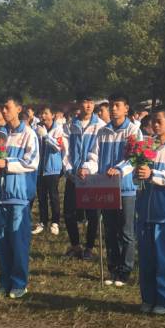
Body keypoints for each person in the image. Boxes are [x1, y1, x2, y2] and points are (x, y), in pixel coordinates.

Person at [0, 95, 39, 299]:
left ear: (18, 109)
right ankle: (4, 281)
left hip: (18, 196)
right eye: (2, 108)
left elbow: (32, 162)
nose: (4, 112)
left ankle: (19, 283)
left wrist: (7, 164)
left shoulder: (29, 134)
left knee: (18, 240)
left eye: (7, 108)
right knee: (1, 241)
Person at [134, 109, 165, 315]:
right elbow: (136, 177)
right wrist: (138, 174)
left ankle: (164, 300)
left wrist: (152, 173)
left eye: (159, 121)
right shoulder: (146, 145)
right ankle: (147, 298)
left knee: (163, 260)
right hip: (144, 211)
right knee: (146, 260)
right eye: (153, 121)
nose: (155, 125)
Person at [92, 93, 140, 286]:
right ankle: (113, 268)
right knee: (110, 230)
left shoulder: (133, 131)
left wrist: (119, 169)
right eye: (111, 106)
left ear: (126, 108)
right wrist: (87, 168)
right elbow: (93, 155)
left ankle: (125, 270)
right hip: (106, 188)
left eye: (117, 105)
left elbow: (135, 158)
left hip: (126, 189)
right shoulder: (102, 132)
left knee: (127, 231)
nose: (113, 109)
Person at [63, 93, 103, 260]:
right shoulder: (70, 125)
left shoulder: (100, 126)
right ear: (78, 104)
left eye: (90, 102)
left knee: (92, 213)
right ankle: (75, 245)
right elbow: (65, 151)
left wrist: (87, 168)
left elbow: (97, 152)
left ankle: (89, 247)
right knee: (69, 212)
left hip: (90, 176)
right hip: (73, 177)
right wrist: (70, 170)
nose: (88, 105)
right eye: (84, 102)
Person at [34, 105, 66, 236]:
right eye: (42, 113)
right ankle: (43, 221)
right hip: (39, 168)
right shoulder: (37, 129)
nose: (43, 116)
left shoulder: (58, 130)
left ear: (53, 115)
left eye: (46, 113)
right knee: (41, 196)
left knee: (53, 196)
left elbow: (58, 147)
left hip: (52, 168)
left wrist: (46, 136)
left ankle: (55, 222)